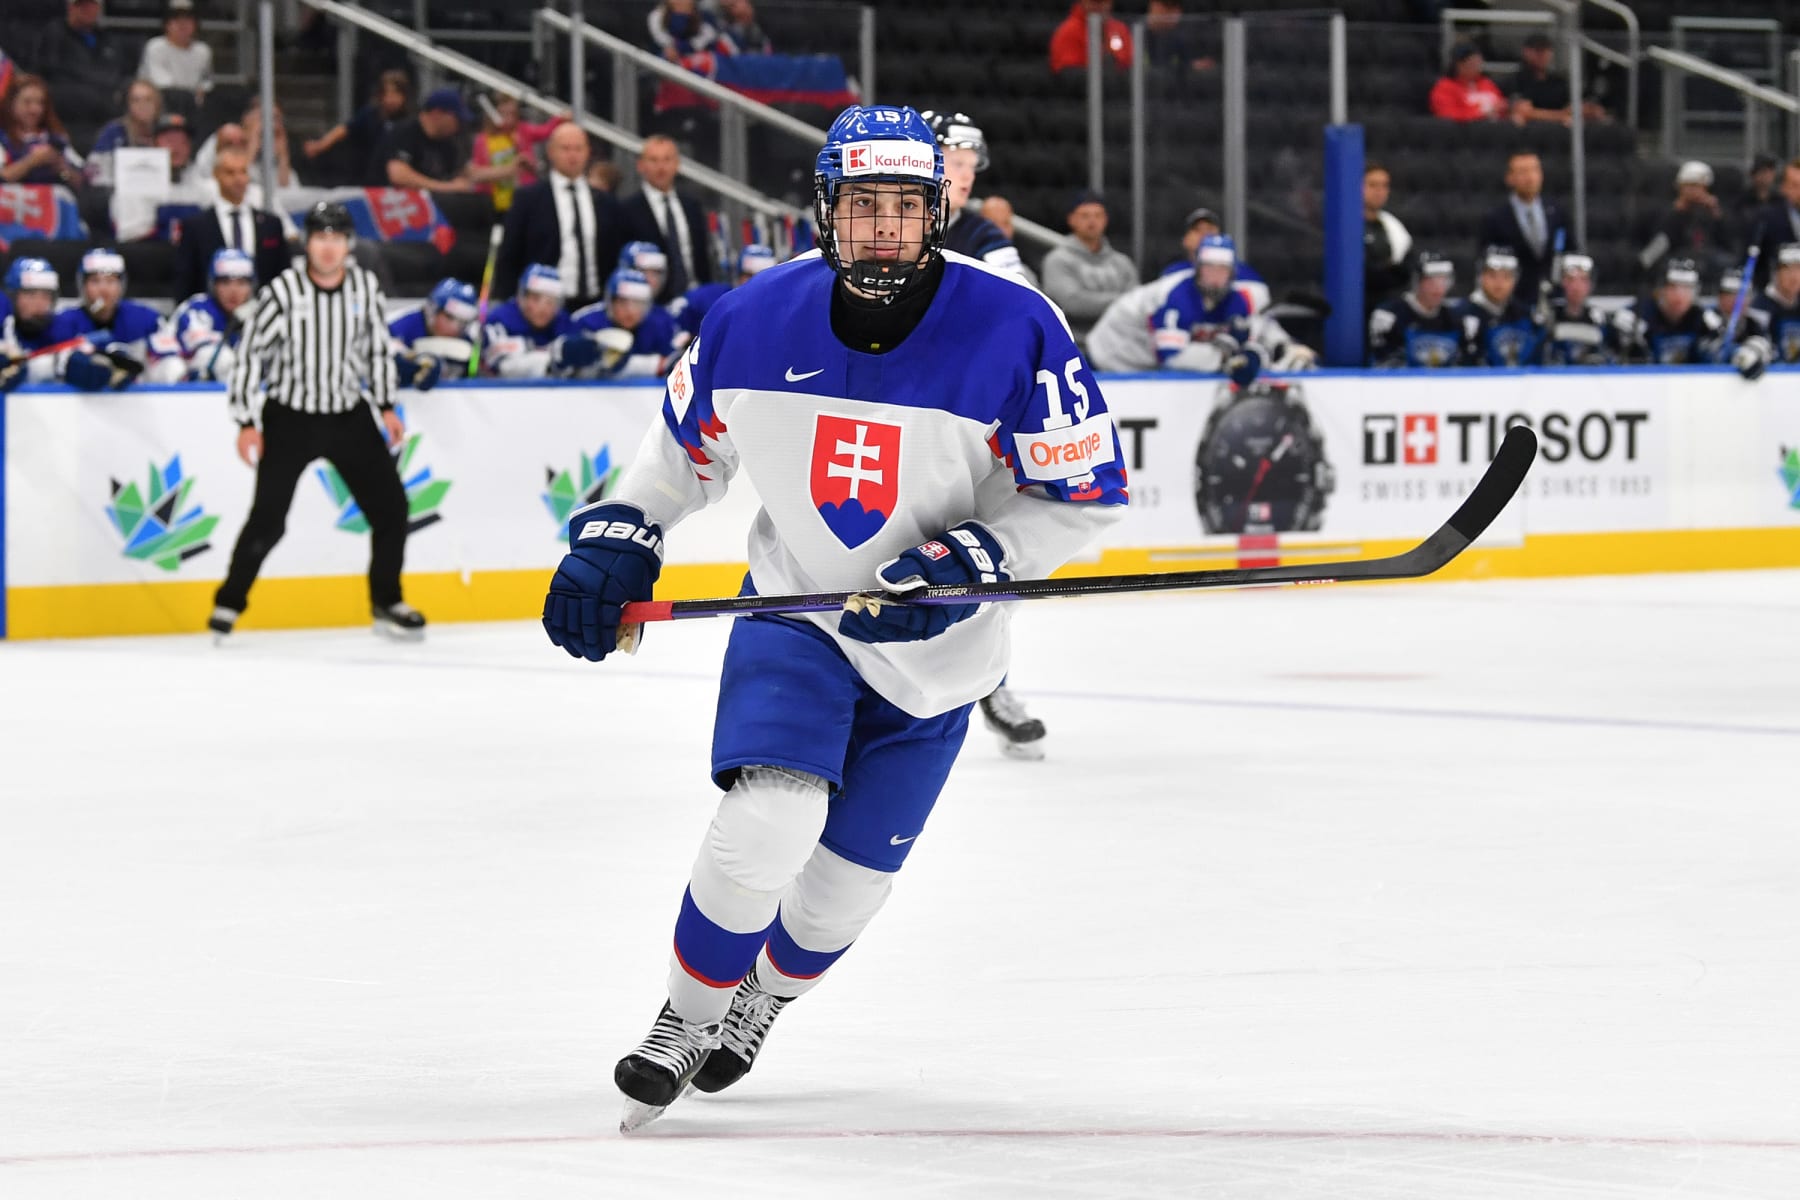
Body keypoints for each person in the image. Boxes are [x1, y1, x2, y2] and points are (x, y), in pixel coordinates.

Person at [540, 103, 1126, 1131]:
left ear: (937, 210)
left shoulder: (1017, 325)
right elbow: (680, 454)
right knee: (768, 818)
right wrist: (625, 530)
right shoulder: (753, 318)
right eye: (862, 206)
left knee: (844, 891)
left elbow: (1081, 494)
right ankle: (684, 1019)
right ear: (825, 210)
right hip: (799, 613)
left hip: (941, 653)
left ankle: (761, 1001)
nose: (883, 229)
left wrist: (979, 557)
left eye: (904, 206)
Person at [210, 201, 424, 642]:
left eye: (337, 238)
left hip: (348, 415)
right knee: (268, 520)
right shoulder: (283, 292)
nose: (328, 247)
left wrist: (386, 404)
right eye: (320, 238)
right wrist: (246, 421)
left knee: (392, 509)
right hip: (290, 417)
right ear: (306, 243)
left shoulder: (364, 287)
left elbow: (377, 349)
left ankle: (387, 599)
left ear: (348, 244)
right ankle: (229, 600)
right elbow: (249, 355)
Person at [496, 123, 625, 309]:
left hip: (595, 304)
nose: (573, 155)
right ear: (551, 152)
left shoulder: (606, 203)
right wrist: (511, 304)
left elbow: (613, 254)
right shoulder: (528, 199)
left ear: (588, 152)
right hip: (542, 307)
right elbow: (509, 255)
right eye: (565, 148)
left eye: (578, 148)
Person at [1149, 233, 1292, 383]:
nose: (1215, 276)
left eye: (1222, 269)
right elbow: (1171, 356)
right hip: (1158, 379)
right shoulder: (1178, 297)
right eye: (1209, 267)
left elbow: (1263, 333)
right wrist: (1224, 359)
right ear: (1198, 269)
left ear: (1232, 273)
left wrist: (1285, 349)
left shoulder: (1239, 300)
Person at [48, 247, 180, 390]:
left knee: (173, 366)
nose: (103, 289)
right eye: (95, 281)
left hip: (138, 399)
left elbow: (169, 362)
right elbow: (51, 370)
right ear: (83, 286)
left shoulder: (146, 319)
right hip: (78, 401)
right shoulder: (64, 322)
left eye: (110, 281)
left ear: (121, 285)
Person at [173, 147, 293, 303]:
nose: (238, 179)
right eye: (230, 172)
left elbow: (282, 277)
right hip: (211, 313)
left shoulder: (271, 225)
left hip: (263, 310)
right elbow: (185, 281)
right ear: (216, 175)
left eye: (243, 172)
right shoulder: (195, 227)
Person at [922, 110, 1025, 276]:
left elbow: (1016, 288)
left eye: (972, 166)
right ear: (923, 163)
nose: (969, 176)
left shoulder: (984, 235)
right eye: (958, 164)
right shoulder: (888, 225)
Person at [619, 135, 714, 301]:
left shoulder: (692, 206)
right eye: (654, 160)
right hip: (649, 301)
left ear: (677, 164)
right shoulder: (627, 209)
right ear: (641, 165)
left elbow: (702, 257)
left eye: (667, 159)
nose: (661, 167)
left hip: (694, 298)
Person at [1040, 189, 1138, 345]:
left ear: (1106, 219)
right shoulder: (1057, 260)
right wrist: (1121, 300)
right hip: (1074, 344)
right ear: (1071, 219)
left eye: (1098, 215)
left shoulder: (1122, 262)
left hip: (1118, 344)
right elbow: (1072, 303)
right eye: (1085, 216)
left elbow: (1136, 305)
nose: (1092, 221)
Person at [29, 0, 130, 150]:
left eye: (91, 6)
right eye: (82, 6)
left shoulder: (108, 39)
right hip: (69, 113)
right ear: (71, 8)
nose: (87, 10)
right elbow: (50, 73)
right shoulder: (55, 34)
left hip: (106, 113)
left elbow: (120, 74)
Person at [1476, 150, 1569, 301]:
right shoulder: (1495, 218)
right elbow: (1486, 258)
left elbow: (1567, 248)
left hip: (1551, 294)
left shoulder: (1557, 211)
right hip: (1514, 298)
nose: (1530, 177)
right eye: (1523, 172)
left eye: (1534, 170)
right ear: (1509, 178)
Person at [481, 263, 602, 378]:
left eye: (551, 302)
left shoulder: (563, 322)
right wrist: (555, 357)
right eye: (535, 298)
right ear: (521, 297)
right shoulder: (500, 319)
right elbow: (506, 367)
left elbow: (580, 368)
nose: (543, 308)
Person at [303, 69, 411, 186]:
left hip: (392, 182)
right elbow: (344, 129)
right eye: (387, 94)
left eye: (396, 94)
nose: (391, 99)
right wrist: (320, 145)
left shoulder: (409, 122)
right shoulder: (370, 114)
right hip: (363, 178)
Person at [1635, 161, 1732, 290]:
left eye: (1697, 186)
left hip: (1706, 259)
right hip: (1676, 258)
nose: (1693, 191)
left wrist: (1716, 214)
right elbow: (1657, 246)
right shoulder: (1666, 211)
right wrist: (1678, 213)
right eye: (1688, 186)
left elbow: (1728, 243)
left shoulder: (1713, 212)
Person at [570, 267, 681, 378]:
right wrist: (654, 365)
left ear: (648, 305)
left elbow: (674, 364)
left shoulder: (661, 323)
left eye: (638, 303)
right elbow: (571, 370)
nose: (630, 310)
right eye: (622, 302)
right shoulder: (586, 322)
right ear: (610, 301)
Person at [1612, 257, 1723, 365]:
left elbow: (1713, 364)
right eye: (1673, 287)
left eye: (1687, 287)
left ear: (1696, 292)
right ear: (1660, 290)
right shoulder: (1637, 316)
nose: (1679, 295)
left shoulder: (1705, 321)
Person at [169, 248, 257, 382]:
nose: (233, 291)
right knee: (223, 359)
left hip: (244, 387)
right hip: (184, 387)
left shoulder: (259, 313)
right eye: (225, 282)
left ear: (252, 287)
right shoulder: (196, 309)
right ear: (213, 285)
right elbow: (210, 357)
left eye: (241, 283)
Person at [1160, 207, 1270, 311]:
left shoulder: (1244, 273)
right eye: (1197, 230)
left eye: (1209, 229)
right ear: (1185, 240)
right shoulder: (1173, 273)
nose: (1204, 234)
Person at [668, 242, 775, 349]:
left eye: (764, 278)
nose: (756, 282)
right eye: (749, 275)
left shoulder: (778, 310)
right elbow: (672, 324)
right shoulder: (709, 298)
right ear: (739, 275)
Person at [1367, 249, 1461, 368]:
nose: (1438, 288)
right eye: (1431, 281)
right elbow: (1382, 365)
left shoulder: (1455, 317)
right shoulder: (1390, 316)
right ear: (1417, 281)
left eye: (1444, 281)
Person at [1454, 245, 1542, 366]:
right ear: (1481, 276)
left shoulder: (1527, 316)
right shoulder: (1459, 315)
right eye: (1493, 275)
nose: (1499, 283)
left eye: (1506, 276)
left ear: (1515, 279)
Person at [388, 277, 479, 391]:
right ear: (432, 310)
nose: (456, 328)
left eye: (464, 322)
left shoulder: (469, 343)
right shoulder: (400, 329)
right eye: (450, 317)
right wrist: (410, 365)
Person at [382, 87, 475, 193]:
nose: (459, 125)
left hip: (427, 201)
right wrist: (447, 187)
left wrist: (491, 172)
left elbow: (464, 171)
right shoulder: (405, 131)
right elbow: (398, 175)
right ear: (437, 113)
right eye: (457, 119)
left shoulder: (446, 141)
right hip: (386, 200)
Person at [0, 73, 83, 187]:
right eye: (27, 102)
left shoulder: (57, 139)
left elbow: (83, 180)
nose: (35, 109)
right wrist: (32, 161)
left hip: (52, 196)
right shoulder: (3, 138)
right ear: (11, 103)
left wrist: (62, 168)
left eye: (40, 103)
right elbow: (3, 176)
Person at [1732, 243, 1800, 380]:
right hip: (1773, 381)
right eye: (1787, 269)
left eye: (1798, 269)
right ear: (1776, 273)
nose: (1794, 276)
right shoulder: (1760, 306)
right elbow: (1757, 340)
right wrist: (1755, 353)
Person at [1509, 32, 1606, 126]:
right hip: (1531, 131)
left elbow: (1579, 107)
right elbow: (1523, 112)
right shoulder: (1516, 80)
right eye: (1538, 50)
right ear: (1526, 52)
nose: (1542, 55)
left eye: (1546, 50)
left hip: (1560, 131)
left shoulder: (1558, 81)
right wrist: (1562, 115)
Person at [0, 258, 64, 393]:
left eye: (46, 295)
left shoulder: (59, 329)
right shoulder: (4, 324)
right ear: (12, 297)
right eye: (30, 294)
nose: (39, 303)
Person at [1540, 254, 1617, 366]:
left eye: (1583, 280)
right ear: (1563, 282)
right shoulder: (1550, 317)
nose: (1576, 287)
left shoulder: (1599, 320)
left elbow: (1610, 359)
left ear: (1590, 284)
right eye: (1571, 280)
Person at [86, 78, 160, 185]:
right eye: (136, 100)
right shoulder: (113, 132)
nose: (142, 105)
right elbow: (93, 171)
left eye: (148, 99)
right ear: (128, 105)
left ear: (157, 103)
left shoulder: (168, 131)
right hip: (117, 190)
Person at [138, 0, 212, 103]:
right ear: (167, 24)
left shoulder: (203, 50)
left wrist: (201, 91)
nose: (182, 25)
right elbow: (162, 85)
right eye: (176, 19)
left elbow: (206, 82)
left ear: (196, 24)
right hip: (159, 102)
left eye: (188, 19)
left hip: (192, 102)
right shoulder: (155, 47)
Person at [1363, 162, 1411, 310]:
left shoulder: (1393, 227)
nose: (1379, 191)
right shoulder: (1344, 227)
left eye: (1384, 185)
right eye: (1372, 185)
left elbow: (1407, 268)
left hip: (1388, 304)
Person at [469, 92, 527, 213]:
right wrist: (509, 169)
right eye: (504, 114)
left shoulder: (515, 138)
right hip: (489, 204)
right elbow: (476, 175)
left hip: (513, 202)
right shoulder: (482, 140)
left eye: (513, 114)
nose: (510, 119)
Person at [1049, 0, 1132, 75]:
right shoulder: (1068, 32)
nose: (1101, 7)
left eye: (1105, 2)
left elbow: (1129, 64)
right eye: (1095, 2)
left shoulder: (1120, 29)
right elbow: (1067, 75)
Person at [1429, 43, 1506, 122]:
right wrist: (1481, 112)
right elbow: (1447, 114)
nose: (1477, 68)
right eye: (1472, 64)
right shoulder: (1444, 87)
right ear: (1459, 65)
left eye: (1479, 63)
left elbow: (1501, 105)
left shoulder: (1486, 83)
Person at [648, 0, 728, 62]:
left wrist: (681, 48)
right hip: (666, 61)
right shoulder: (658, 15)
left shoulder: (705, 17)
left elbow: (708, 38)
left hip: (700, 62)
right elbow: (661, 40)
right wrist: (670, 48)